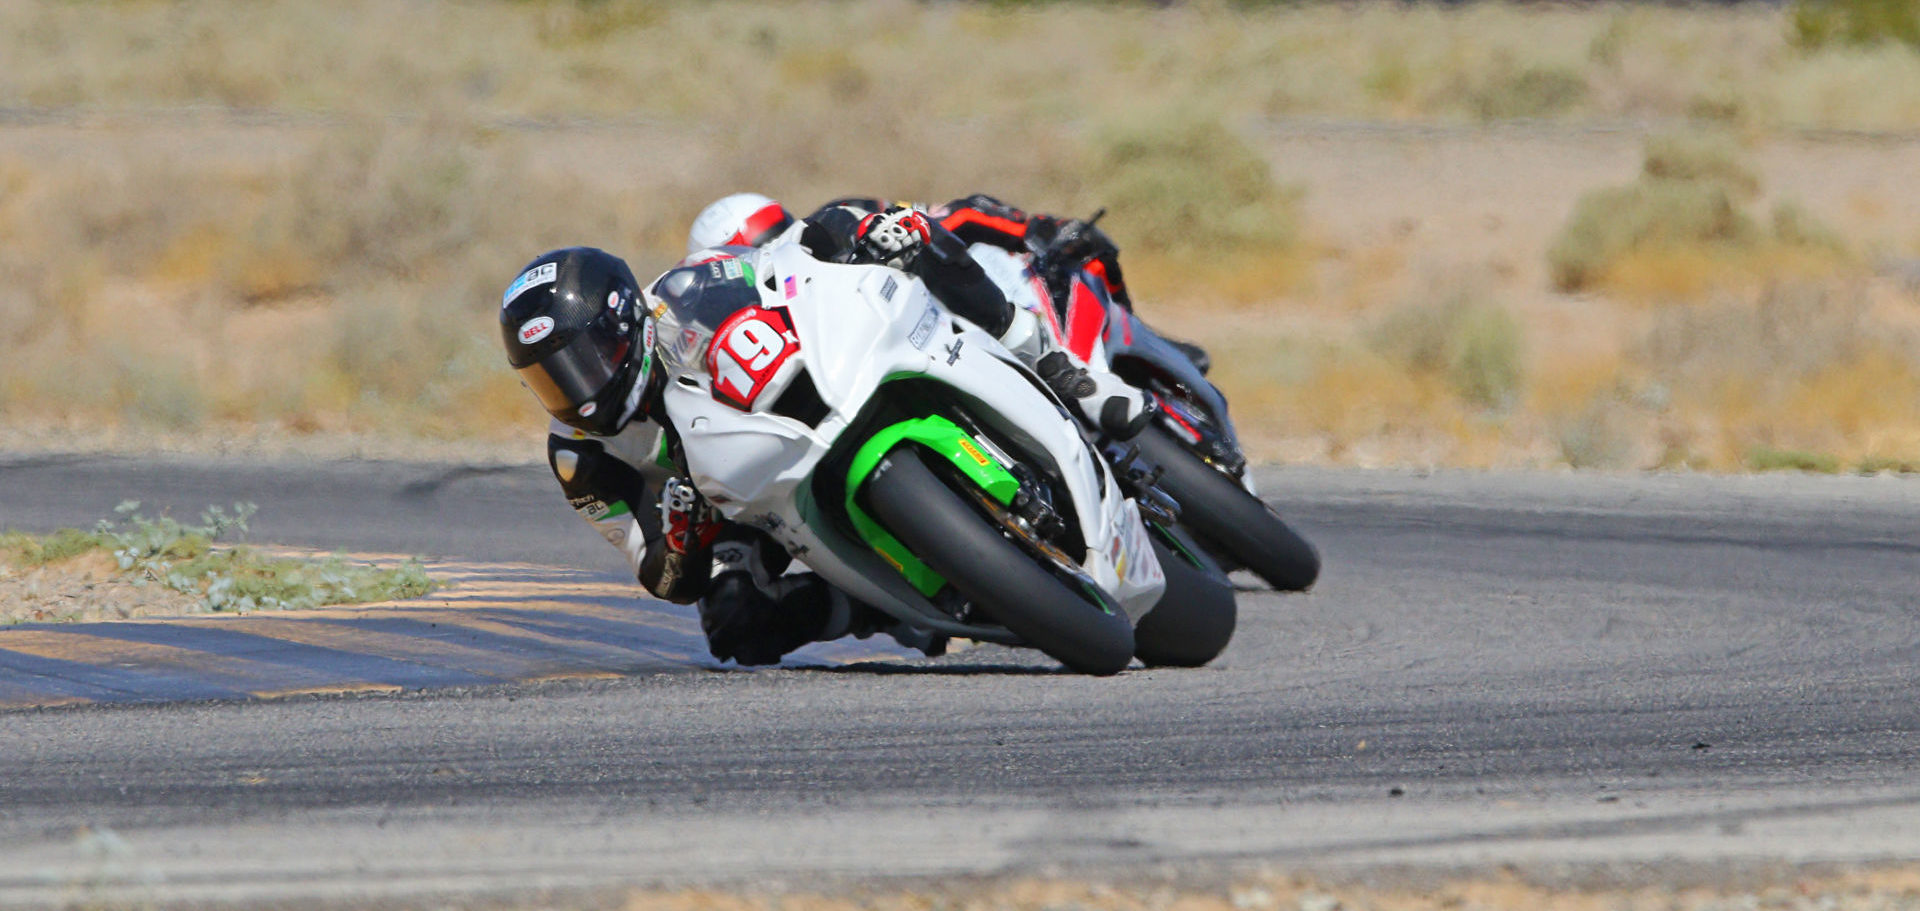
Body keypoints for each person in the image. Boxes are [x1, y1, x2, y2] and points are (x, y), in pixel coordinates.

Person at [498, 246, 940, 666]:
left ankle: (1007, 345)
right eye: (553, 379)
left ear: (624, 322)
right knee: (734, 624)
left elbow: (793, 259)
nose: (581, 393)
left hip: (808, 399)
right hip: (734, 508)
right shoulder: (577, 455)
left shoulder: (690, 290)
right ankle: (885, 609)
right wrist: (678, 540)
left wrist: (852, 241)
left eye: (587, 361)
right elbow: (664, 579)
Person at [684, 194, 1153, 437]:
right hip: (878, 372)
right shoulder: (755, 333)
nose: (774, 257)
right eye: (753, 255)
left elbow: (947, 215)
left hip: (946, 315)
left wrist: (1031, 228)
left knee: (934, 228)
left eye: (776, 237)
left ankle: (1060, 366)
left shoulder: (832, 223)